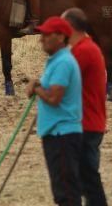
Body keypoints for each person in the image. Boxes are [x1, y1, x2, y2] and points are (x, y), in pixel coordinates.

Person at [26, 16, 83, 206]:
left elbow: (53, 98)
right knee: (63, 192)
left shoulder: (63, 62)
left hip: (62, 136)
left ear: (60, 36)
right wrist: (38, 84)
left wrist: (36, 88)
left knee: (66, 194)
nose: (41, 39)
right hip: (57, 134)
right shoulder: (57, 60)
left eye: (46, 35)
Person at [62, 8, 108, 206]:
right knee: (86, 179)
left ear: (71, 27)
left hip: (86, 123)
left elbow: (62, 82)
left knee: (89, 181)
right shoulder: (87, 48)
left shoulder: (83, 51)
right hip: (90, 121)